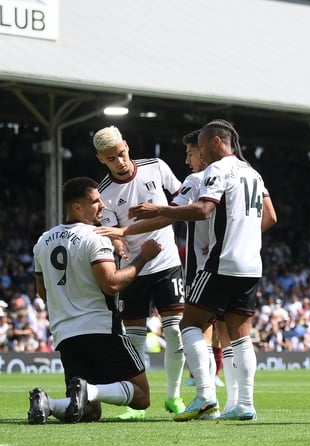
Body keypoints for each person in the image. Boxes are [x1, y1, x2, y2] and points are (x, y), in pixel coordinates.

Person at [128, 119, 277, 421]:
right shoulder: (253, 173)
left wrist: (160, 209)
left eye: (204, 145)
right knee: (239, 335)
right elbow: (271, 216)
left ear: (217, 142)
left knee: (189, 325)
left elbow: (202, 210)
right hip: (251, 264)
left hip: (222, 262)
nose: (201, 154)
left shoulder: (217, 170)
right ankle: (244, 404)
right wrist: (244, 236)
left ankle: (205, 396)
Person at [28, 177, 161, 424]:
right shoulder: (96, 236)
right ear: (77, 208)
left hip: (65, 333)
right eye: (96, 201)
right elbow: (111, 284)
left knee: (89, 412)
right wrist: (143, 257)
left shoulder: (42, 241)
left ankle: (47, 404)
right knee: (142, 396)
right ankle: (88, 390)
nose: (102, 205)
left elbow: (43, 292)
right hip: (101, 327)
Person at [93, 125, 186, 420]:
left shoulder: (156, 167)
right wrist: (119, 245)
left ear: (127, 146)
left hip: (168, 262)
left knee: (174, 331)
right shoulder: (104, 193)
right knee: (133, 338)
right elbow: (112, 231)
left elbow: (183, 199)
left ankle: (174, 396)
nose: (119, 162)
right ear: (101, 160)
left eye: (121, 154)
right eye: (111, 159)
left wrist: (163, 212)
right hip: (134, 269)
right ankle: (138, 402)